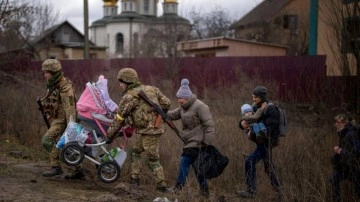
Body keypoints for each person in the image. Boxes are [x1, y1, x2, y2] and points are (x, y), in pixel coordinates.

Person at [106, 67, 171, 193]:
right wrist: (156, 115)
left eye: (121, 83)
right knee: (134, 152)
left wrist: (109, 136)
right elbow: (167, 103)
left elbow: (119, 118)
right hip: (150, 130)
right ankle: (134, 180)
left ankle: (162, 187)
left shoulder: (129, 97)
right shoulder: (152, 89)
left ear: (128, 82)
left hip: (150, 132)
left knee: (152, 160)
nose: (120, 86)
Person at [166, 78, 215, 197]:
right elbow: (173, 115)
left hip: (199, 142)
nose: (178, 100)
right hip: (189, 141)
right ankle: (205, 192)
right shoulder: (183, 107)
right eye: (178, 98)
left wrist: (206, 143)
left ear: (187, 98)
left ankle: (178, 187)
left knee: (184, 161)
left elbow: (209, 125)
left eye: (180, 98)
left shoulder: (200, 106)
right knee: (198, 167)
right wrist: (162, 112)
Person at [40, 59, 85, 179]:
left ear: (53, 72)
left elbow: (70, 108)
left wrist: (71, 127)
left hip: (64, 120)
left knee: (46, 140)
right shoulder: (53, 84)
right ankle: (78, 170)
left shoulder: (65, 87)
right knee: (68, 145)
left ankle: (56, 167)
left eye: (46, 72)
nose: (44, 75)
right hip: (57, 118)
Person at [236, 85, 282, 199]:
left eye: (255, 97)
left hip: (266, 143)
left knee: (249, 162)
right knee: (269, 168)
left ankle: (251, 191)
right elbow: (248, 117)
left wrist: (257, 131)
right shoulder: (256, 107)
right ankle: (280, 193)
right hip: (260, 142)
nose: (253, 99)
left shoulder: (271, 109)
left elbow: (272, 128)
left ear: (261, 97)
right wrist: (242, 123)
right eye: (252, 96)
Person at [331, 114, 360, 202]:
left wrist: (340, 151)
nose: (336, 124)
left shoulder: (350, 134)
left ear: (344, 123)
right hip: (345, 166)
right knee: (334, 178)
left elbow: (356, 152)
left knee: (358, 189)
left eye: (338, 122)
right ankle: (337, 199)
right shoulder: (343, 133)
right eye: (335, 122)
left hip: (353, 167)